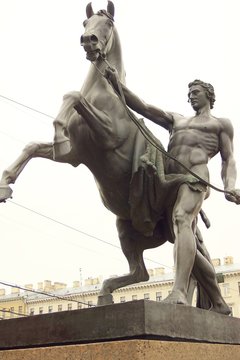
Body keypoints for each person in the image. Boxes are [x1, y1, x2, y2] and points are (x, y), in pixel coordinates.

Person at [105, 68, 240, 307]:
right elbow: (144, 107)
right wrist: (118, 86)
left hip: (196, 177)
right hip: (167, 180)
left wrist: (230, 186)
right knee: (183, 239)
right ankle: (219, 302)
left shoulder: (220, 124)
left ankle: (179, 291)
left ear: (209, 95)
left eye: (195, 92)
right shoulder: (176, 119)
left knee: (181, 220)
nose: (191, 97)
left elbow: (228, 159)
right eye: (189, 94)